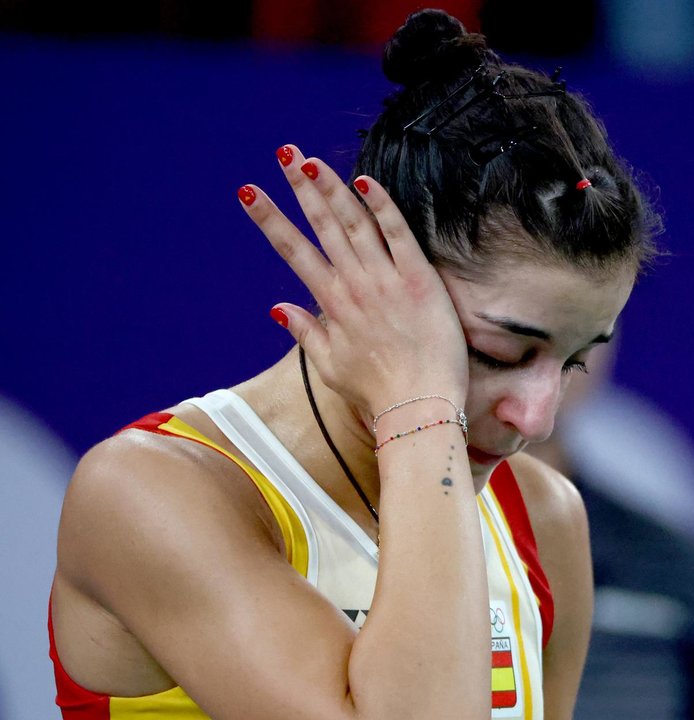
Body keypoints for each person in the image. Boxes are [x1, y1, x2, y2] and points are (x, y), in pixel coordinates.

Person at [48, 8, 659, 720]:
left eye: (574, 363)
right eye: (496, 352)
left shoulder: (545, 517)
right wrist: (419, 408)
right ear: (365, 273)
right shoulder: (150, 493)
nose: (537, 416)